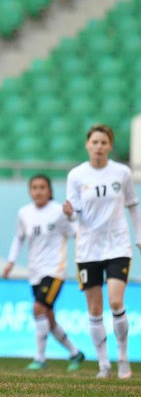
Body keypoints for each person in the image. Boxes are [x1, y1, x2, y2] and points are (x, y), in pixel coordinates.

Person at [63, 124, 139, 379]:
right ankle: (103, 364)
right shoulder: (76, 175)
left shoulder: (122, 173)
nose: (98, 147)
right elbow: (75, 215)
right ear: (87, 145)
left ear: (110, 146)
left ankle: (124, 360)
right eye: (94, 142)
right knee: (95, 310)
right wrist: (70, 213)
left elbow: (133, 205)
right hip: (88, 249)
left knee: (116, 301)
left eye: (103, 143)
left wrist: (139, 235)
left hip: (118, 245)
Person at [2, 174, 85, 371]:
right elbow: (19, 238)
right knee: (48, 317)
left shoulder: (58, 212)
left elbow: (77, 232)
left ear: (50, 191)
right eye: (34, 188)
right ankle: (75, 353)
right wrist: (11, 262)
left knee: (38, 308)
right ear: (30, 191)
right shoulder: (24, 213)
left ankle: (40, 358)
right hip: (35, 272)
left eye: (42, 187)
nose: (38, 191)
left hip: (55, 270)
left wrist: (72, 215)